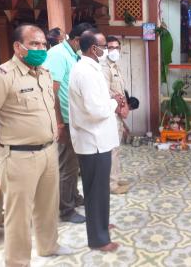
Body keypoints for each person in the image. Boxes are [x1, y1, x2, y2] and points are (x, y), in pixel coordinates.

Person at [0, 24, 73, 266]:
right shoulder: (1, 77)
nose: (41, 48)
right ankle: (18, 262)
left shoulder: (43, 72)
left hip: (47, 152)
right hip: (18, 158)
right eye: (34, 44)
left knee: (47, 206)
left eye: (43, 44)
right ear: (18, 47)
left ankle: (48, 246)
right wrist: (1, 145)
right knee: (18, 216)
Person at [69, 30, 121, 251]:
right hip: (93, 140)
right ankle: (99, 239)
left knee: (99, 189)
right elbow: (95, 110)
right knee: (95, 189)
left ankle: (101, 223)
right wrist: (114, 103)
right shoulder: (85, 72)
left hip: (98, 139)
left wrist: (108, 100)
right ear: (93, 49)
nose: (108, 50)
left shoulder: (91, 68)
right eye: (105, 47)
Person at [43, 22, 93, 224]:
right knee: (66, 166)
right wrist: (59, 122)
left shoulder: (73, 55)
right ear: (78, 40)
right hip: (64, 120)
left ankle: (73, 196)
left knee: (73, 164)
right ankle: (65, 209)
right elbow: (51, 91)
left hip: (74, 119)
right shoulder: (57, 55)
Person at [100, 35, 130, 195]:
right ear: (105, 49)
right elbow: (106, 93)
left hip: (118, 113)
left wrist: (125, 107)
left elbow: (120, 91)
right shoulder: (104, 67)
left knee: (116, 149)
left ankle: (116, 178)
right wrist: (120, 109)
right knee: (112, 150)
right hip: (111, 113)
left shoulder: (115, 66)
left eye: (116, 48)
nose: (114, 51)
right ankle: (112, 184)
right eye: (110, 47)